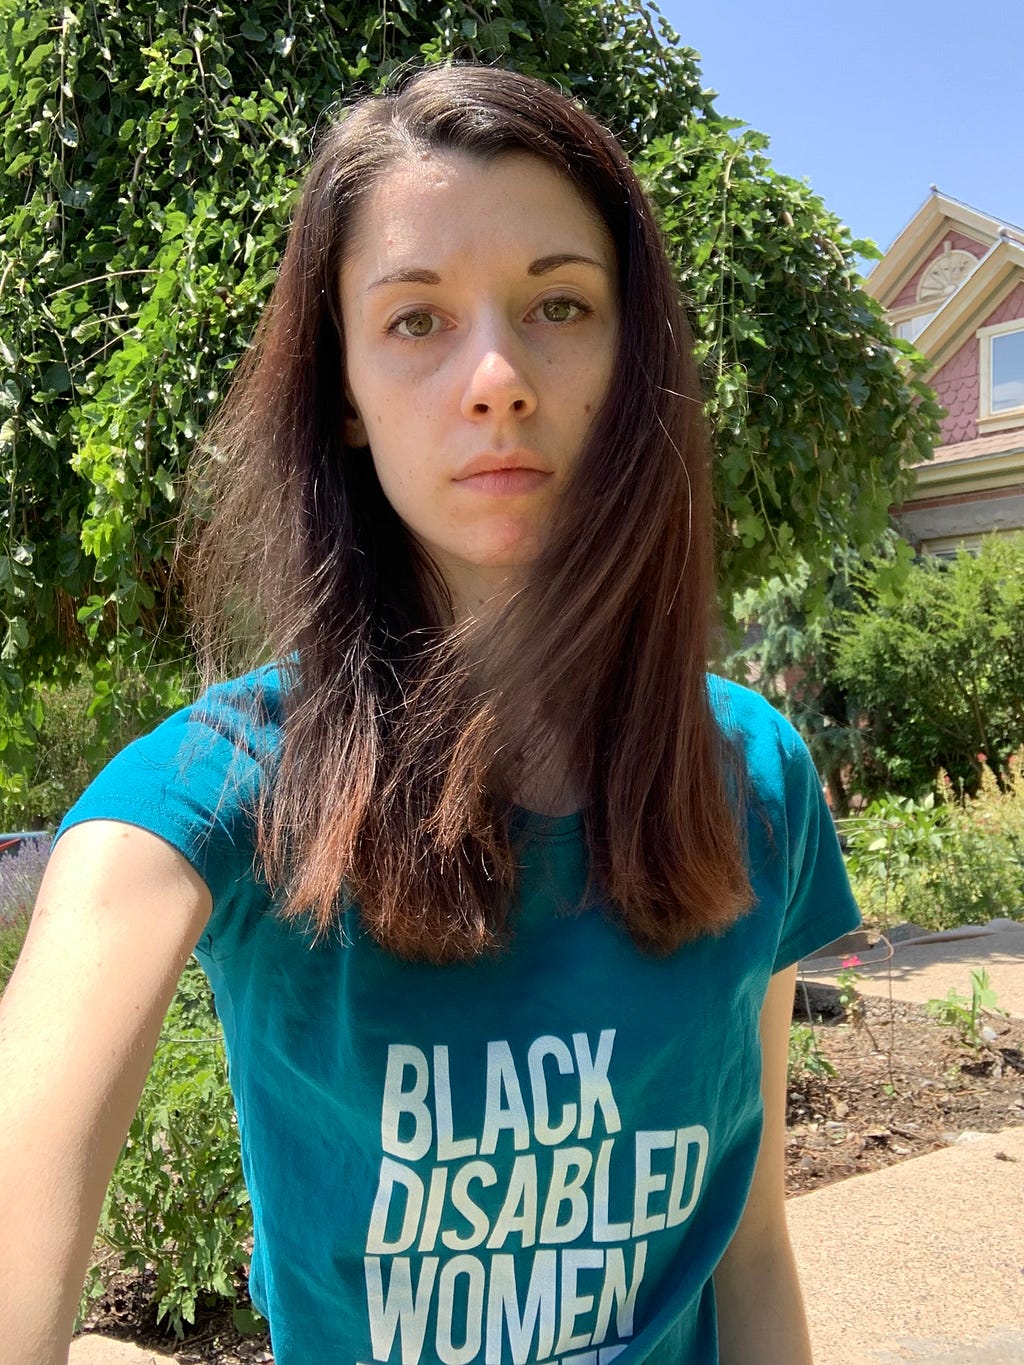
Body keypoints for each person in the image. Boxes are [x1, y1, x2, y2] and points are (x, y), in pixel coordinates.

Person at [0, 64, 859, 1365]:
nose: (498, 375)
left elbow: (748, 1251)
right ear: (342, 385)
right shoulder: (201, 798)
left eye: (560, 304)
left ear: (634, 356)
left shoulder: (755, 774)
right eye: (416, 320)